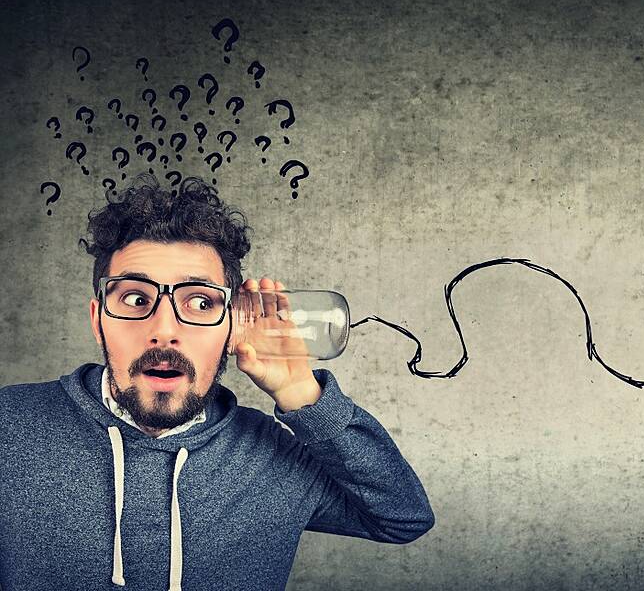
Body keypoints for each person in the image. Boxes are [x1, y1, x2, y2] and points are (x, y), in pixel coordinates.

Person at [0, 175, 434, 590]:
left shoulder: (275, 455)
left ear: (232, 326)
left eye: (202, 302)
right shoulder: (10, 427)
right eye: (136, 299)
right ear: (99, 321)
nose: (165, 330)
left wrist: (302, 395)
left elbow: (402, 517)